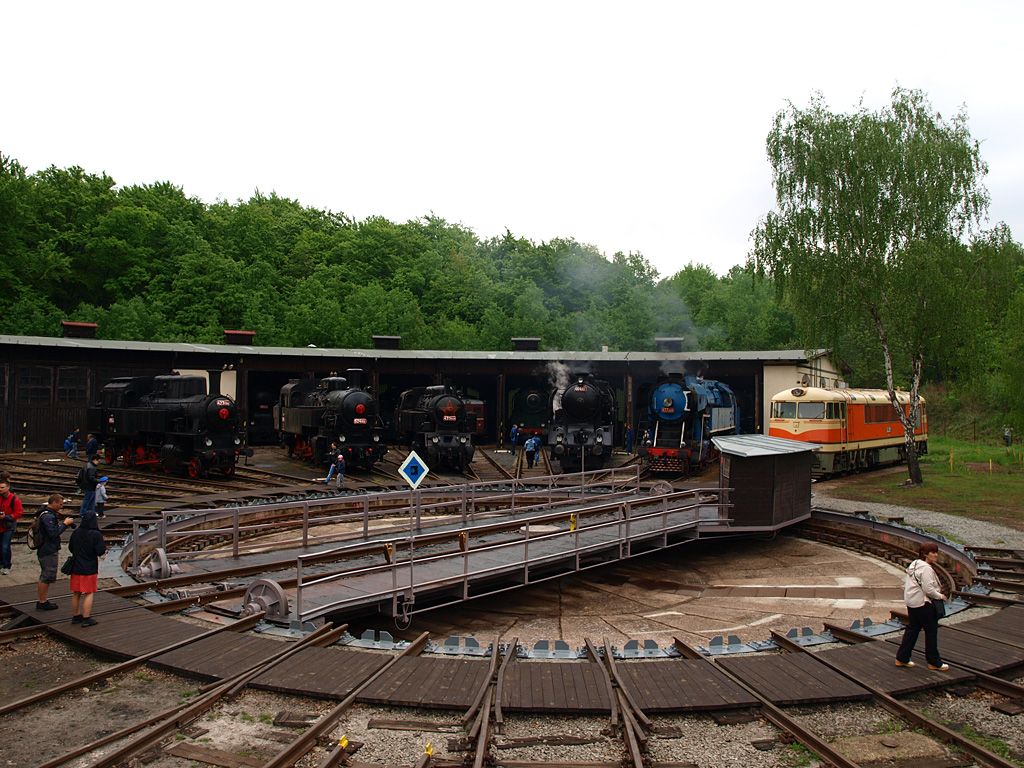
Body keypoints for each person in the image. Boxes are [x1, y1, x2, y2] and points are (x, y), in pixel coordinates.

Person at [895, 542, 949, 671]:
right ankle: (934, 662)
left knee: (912, 630)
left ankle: (902, 658)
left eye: (936, 552)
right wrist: (940, 596)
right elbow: (928, 589)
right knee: (931, 632)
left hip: (912, 602)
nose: (936, 555)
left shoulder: (914, 564)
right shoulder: (926, 569)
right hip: (924, 604)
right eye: (933, 552)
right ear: (926, 554)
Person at [36, 493, 75, 611]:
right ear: (54, 503)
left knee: (46, 575)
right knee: (46, 575)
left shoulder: (46, 513)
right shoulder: (48, 516)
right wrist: (64, 524)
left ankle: (42, 600)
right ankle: (42, 602)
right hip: (48, 549)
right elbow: (53, 533)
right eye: (60, 504)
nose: (61, 506)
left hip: (46, 548)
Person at [68, 512, 106, 626]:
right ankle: (86, 617)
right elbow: (100, 551)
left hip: (75, 567)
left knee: (76, 592)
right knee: (89, 592)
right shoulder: (96, 534)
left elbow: (71, 548)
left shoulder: (76, 533)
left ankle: (76, 616)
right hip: (89, 567)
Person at [0, 473, 25, 576]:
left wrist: (6, 517)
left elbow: (19, 513)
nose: (0, 489)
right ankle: (2, 563)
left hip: (8, 526)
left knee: (5, 546)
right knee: (1, 546)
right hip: (1, 525)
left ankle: (6, 565)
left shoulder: (14, 499)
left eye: (2, 487)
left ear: (8, 487)